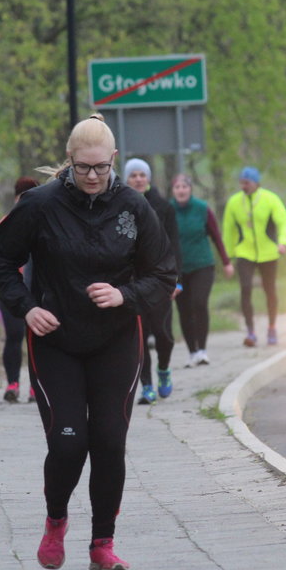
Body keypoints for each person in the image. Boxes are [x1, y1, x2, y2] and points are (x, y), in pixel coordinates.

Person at [0, 114, 176, 570]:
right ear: (68, 160)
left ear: (113, 160)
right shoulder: (39, 204)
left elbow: (164, 272)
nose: (92, 177)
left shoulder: (133, 206)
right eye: (83, 167)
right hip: (56, 341)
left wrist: (124, 295)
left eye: (100, 168)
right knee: (69, 445)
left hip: (115, 340)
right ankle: (55, 521)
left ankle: (102, 545)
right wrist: (27, 307)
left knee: (110, 441)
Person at [123, 158, 182, 405]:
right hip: (132, 282)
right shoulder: (121, 205)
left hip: (159, 280)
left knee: (163, 335)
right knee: (139, 337)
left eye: (142, 175)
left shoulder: (163, 207)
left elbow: (174, 245)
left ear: (148, 179)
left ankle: (164, 370)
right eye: (133, 175)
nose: (138, 179)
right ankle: (146, 385)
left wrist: (176, 279)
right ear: (127, 179)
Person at [0, 176, 39, 403]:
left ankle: (36, 387)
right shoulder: (6, 223)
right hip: (9, 292)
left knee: (37, 340)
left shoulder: (45, 222)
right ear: (16, 199)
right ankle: (12, 384)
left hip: (36, 291)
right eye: (22, 197)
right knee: (14, 337)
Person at [222, 166, 286, 347]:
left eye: (247, 183)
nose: (243, 186)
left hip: (269, 252)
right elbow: (228, 230)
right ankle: (251, 332)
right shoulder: (234, 202)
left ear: (256, 183)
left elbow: (284, 221)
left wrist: (283, 242)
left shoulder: (270, 199)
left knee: (269, 289)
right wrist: (227, 257)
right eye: (241, 182)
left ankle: (271, 327)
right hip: (244, 252)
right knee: (245, 288)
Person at [169, 173, 234, 367]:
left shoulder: (202, 209)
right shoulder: (167, 210)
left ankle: (203, 350)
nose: (181, 190)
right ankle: (192, 352)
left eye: (184, 187)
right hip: (177, 269)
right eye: (177, 187)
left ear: (190, 189)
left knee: (198, 303)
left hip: (202, 265)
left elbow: (216, 236)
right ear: (173, 191)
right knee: (184, 309)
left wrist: (226, 261)